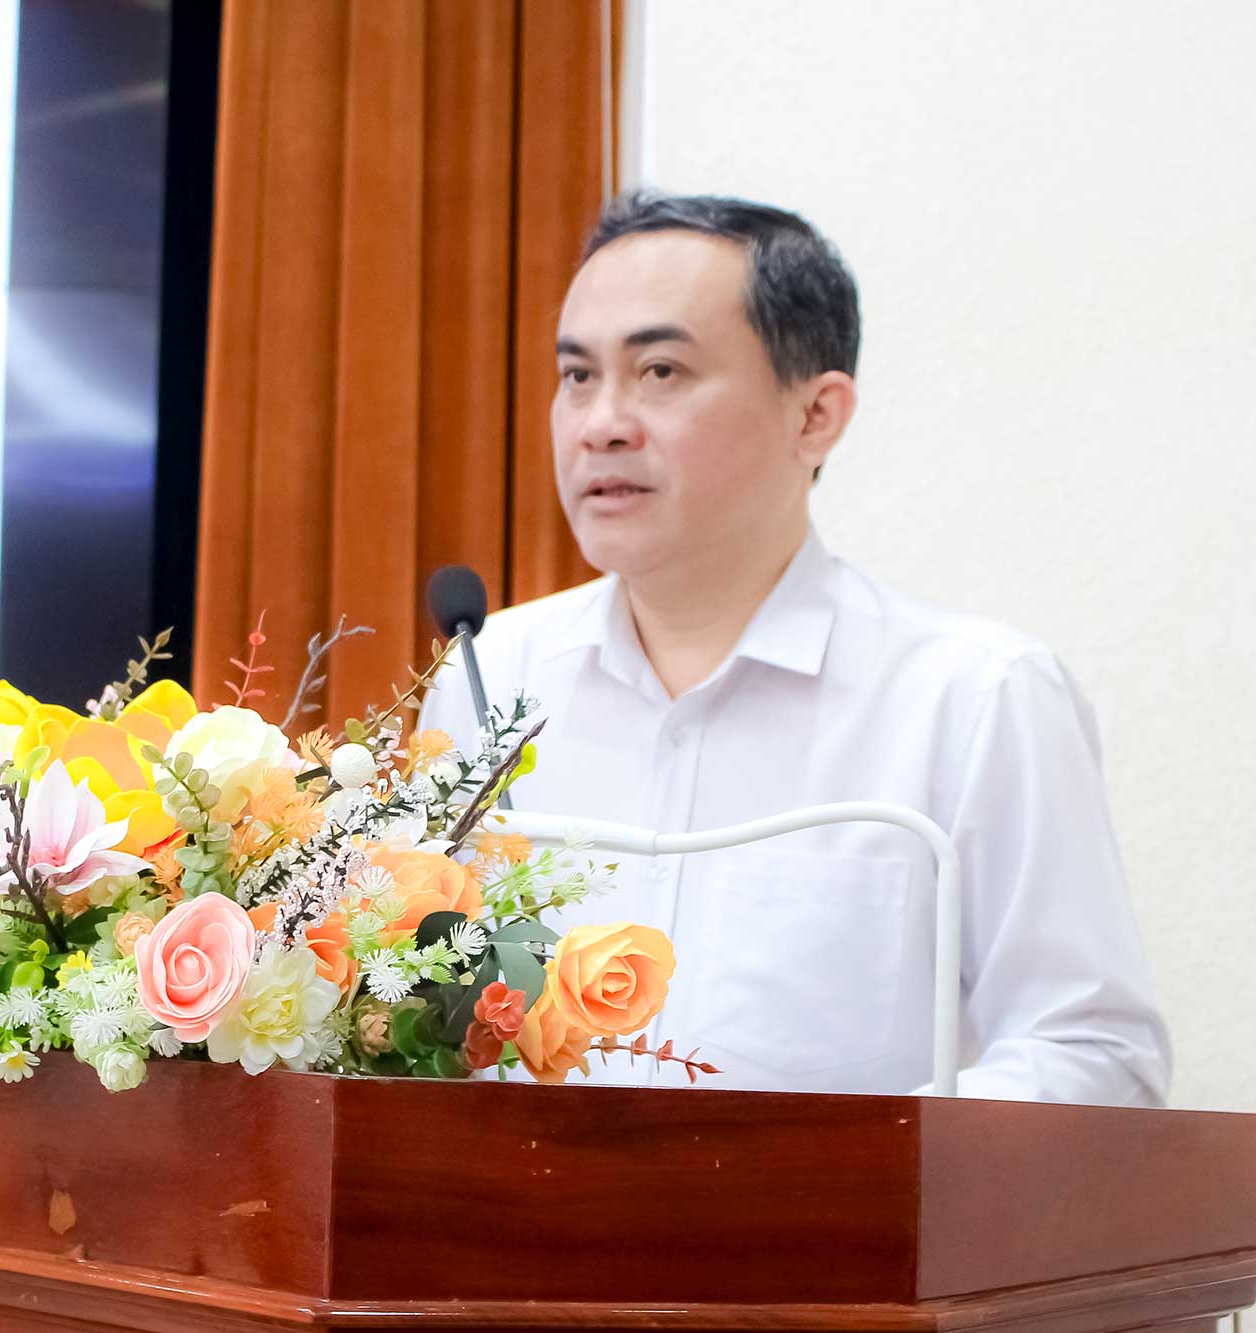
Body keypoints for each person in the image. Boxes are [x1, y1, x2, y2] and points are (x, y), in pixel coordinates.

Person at [417, 192, 1171, 1105]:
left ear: (816, 414)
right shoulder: (491, 676)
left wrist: (852, 1181)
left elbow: (1092, 1051)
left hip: (833, 1241)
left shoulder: (971, 698)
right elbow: (415, 1019)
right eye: (578, 376)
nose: (600, 423)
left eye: (659, 371)